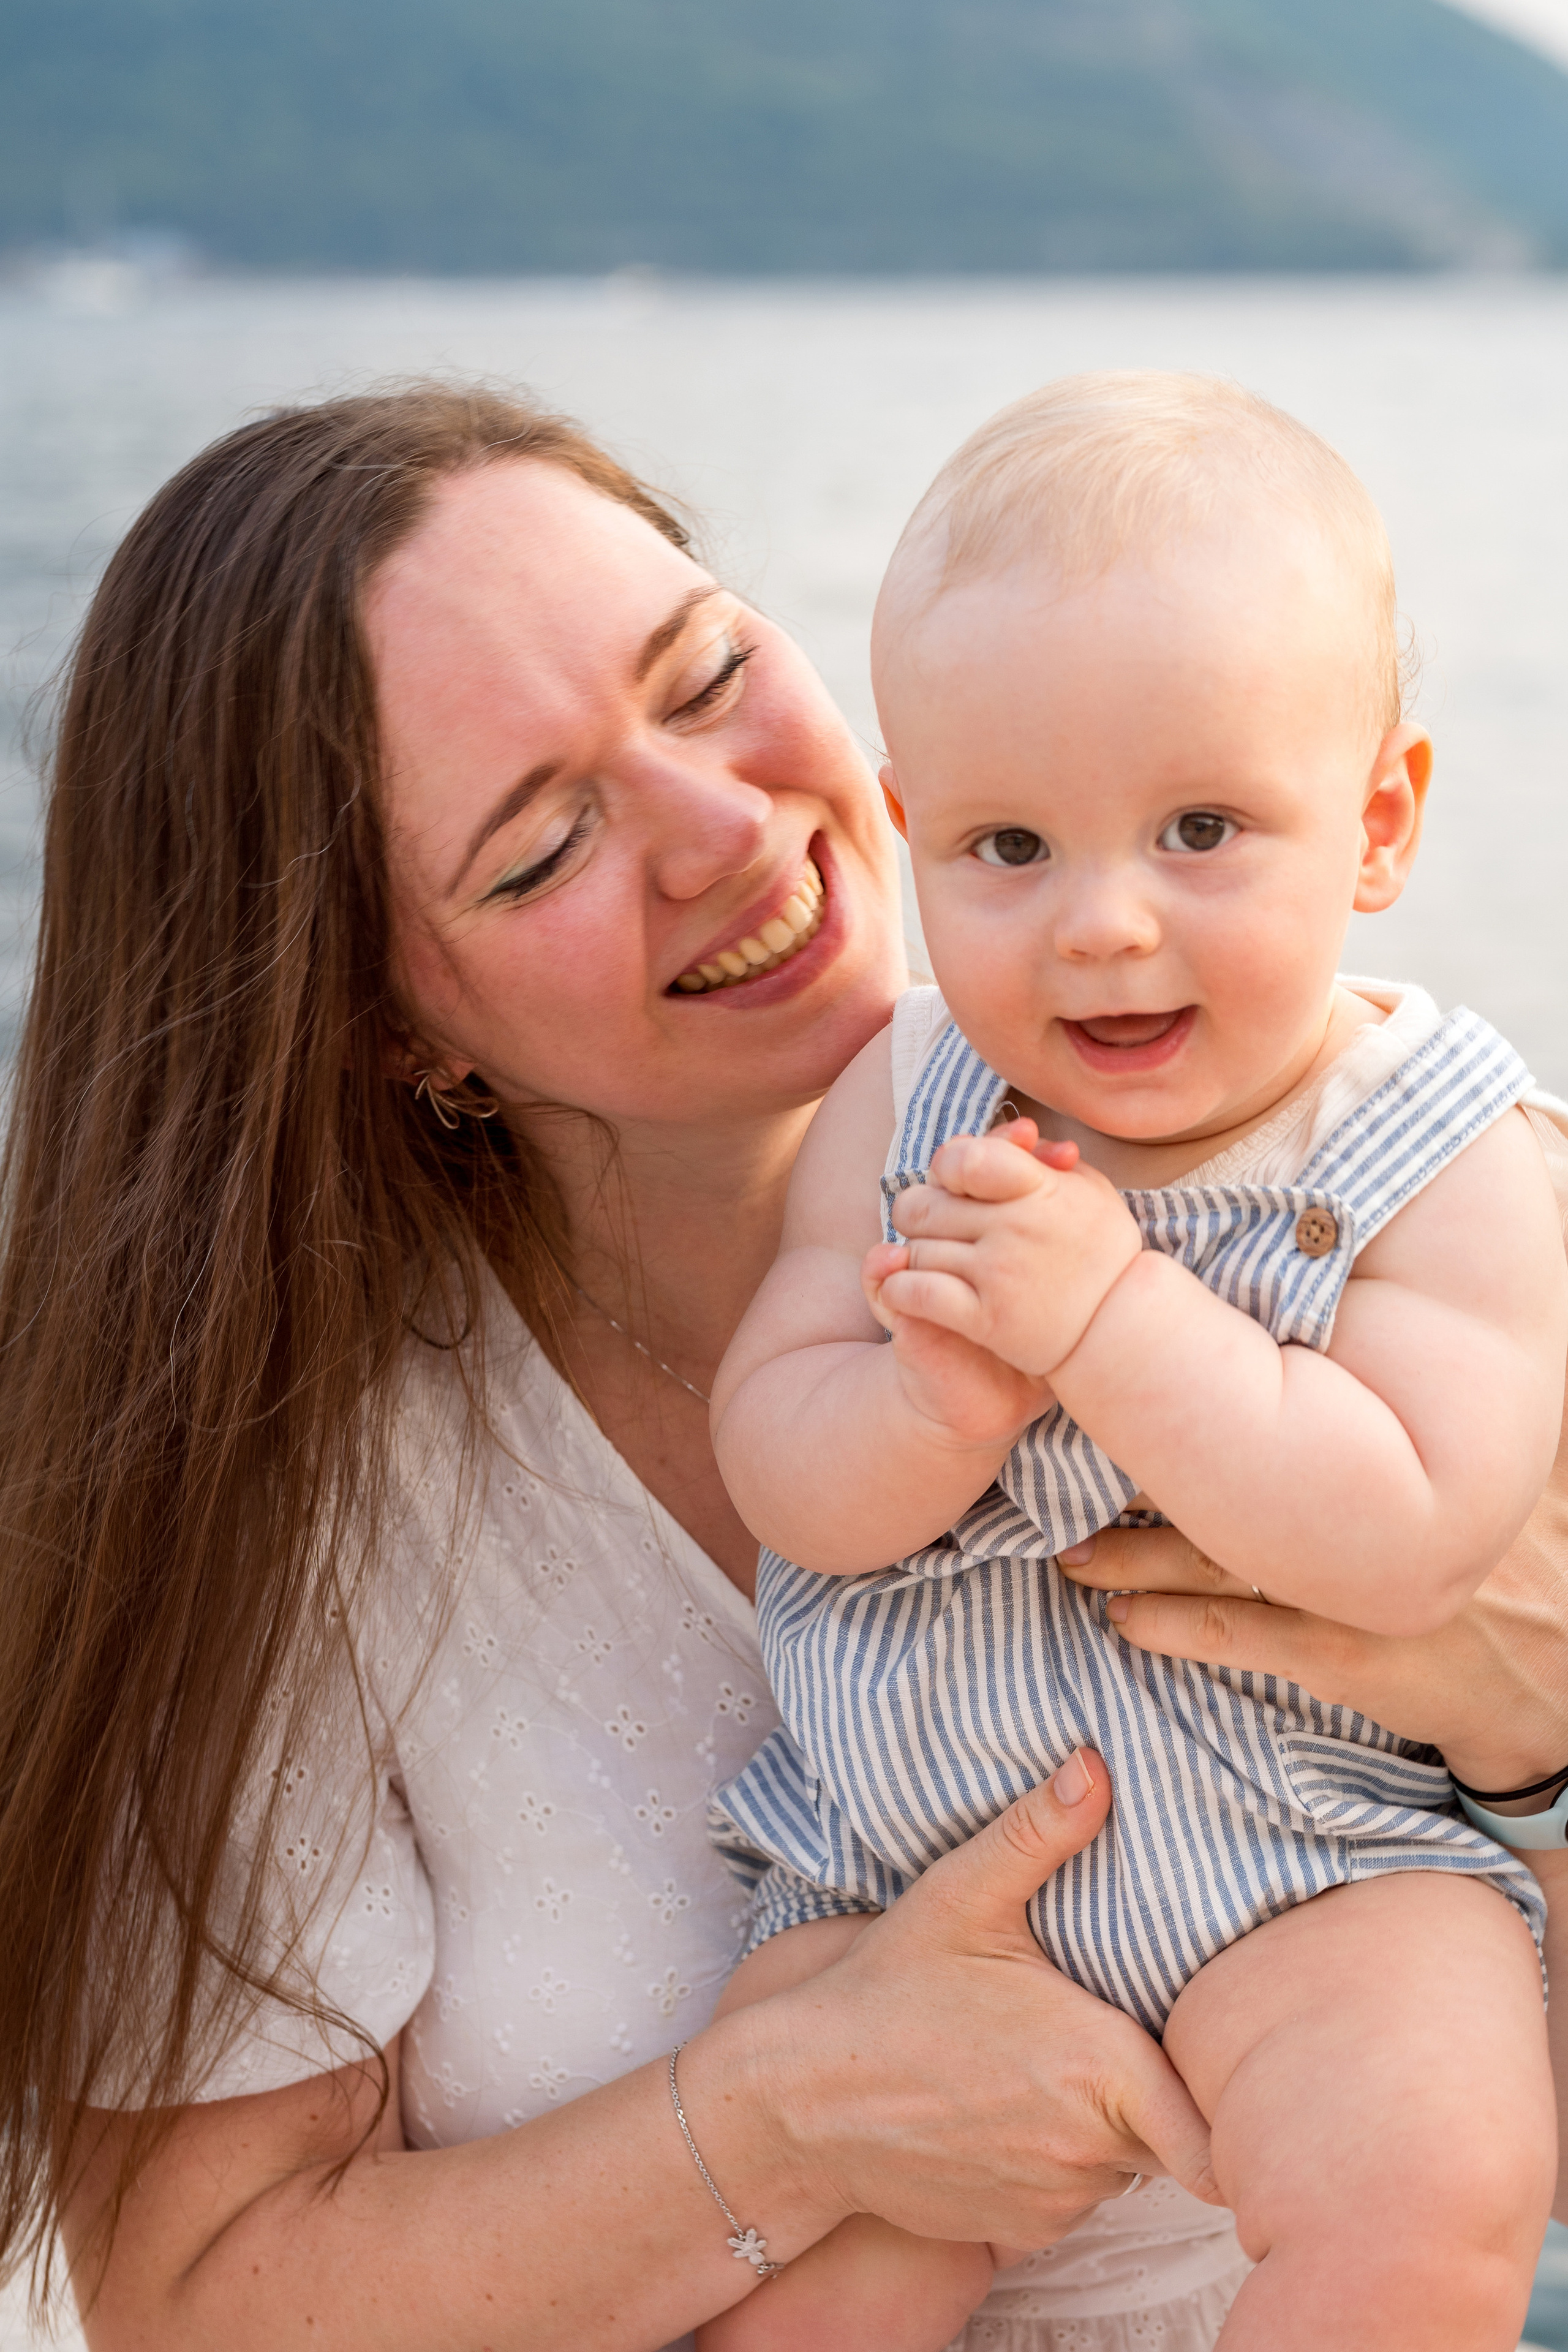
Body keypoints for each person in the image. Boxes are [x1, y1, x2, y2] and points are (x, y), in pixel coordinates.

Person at [0, 383, 1256, 2352]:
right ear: (382, 1027)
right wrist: (801, 2113)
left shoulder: (1248, 1154)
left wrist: (1529, 1748)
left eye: (705, 676)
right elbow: (199, 2298)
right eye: (541, 847)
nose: (721, 828)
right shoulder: (277, 1486)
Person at [705, 374, 1568, 2351]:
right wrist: (921, 1408)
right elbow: (779, 1451)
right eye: (1010, 845)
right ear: (912, 835)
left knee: (1436, 2178)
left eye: (1201, 831)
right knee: (791, 2254)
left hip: (1312, 1862)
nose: (1105, 927)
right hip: (904, 1857)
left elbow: (1414, 1531)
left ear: (1378, 825)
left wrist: (1110, 1323)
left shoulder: (1442, 1144)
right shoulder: (906, 1091)